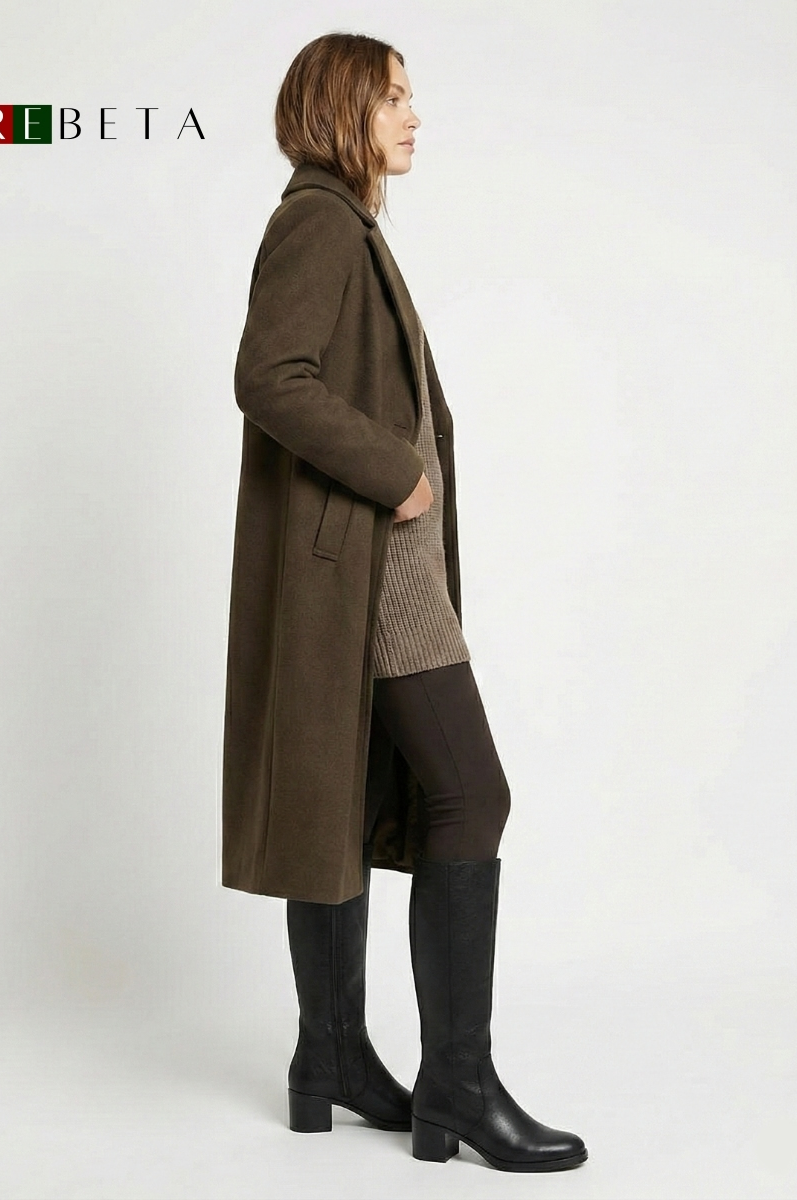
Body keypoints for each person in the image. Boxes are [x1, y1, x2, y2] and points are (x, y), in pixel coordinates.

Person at [221, 31, 587, 1173]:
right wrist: (396, 471)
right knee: (471, 793)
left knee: (348, 797)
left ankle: (331, 1057)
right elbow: (268, 377)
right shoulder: (320, 222)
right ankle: (457, 1085)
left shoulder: (348, 221)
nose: (414, 115)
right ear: (344, 109)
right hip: (373, 566)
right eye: (393, 97)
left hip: (380, 562)